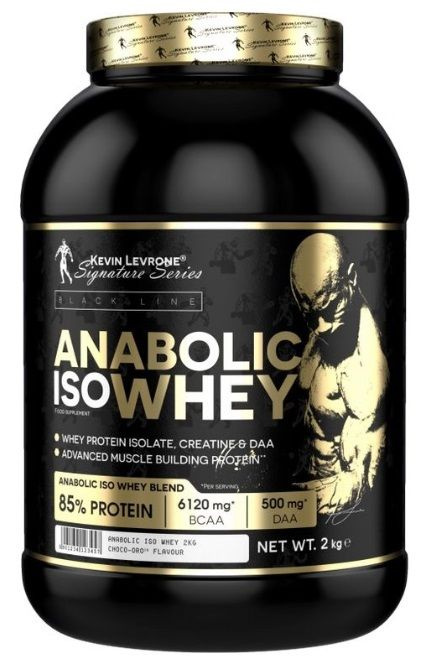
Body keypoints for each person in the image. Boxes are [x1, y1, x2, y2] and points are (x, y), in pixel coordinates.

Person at [290, 233, 388, 513]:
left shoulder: (366, 370)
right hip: (310, 494)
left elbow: (363, 478)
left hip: (341, 511)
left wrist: (306, 501)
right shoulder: (320, 340)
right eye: (310, 315)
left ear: (352, 279)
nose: (321, 327)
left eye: (331, 307)